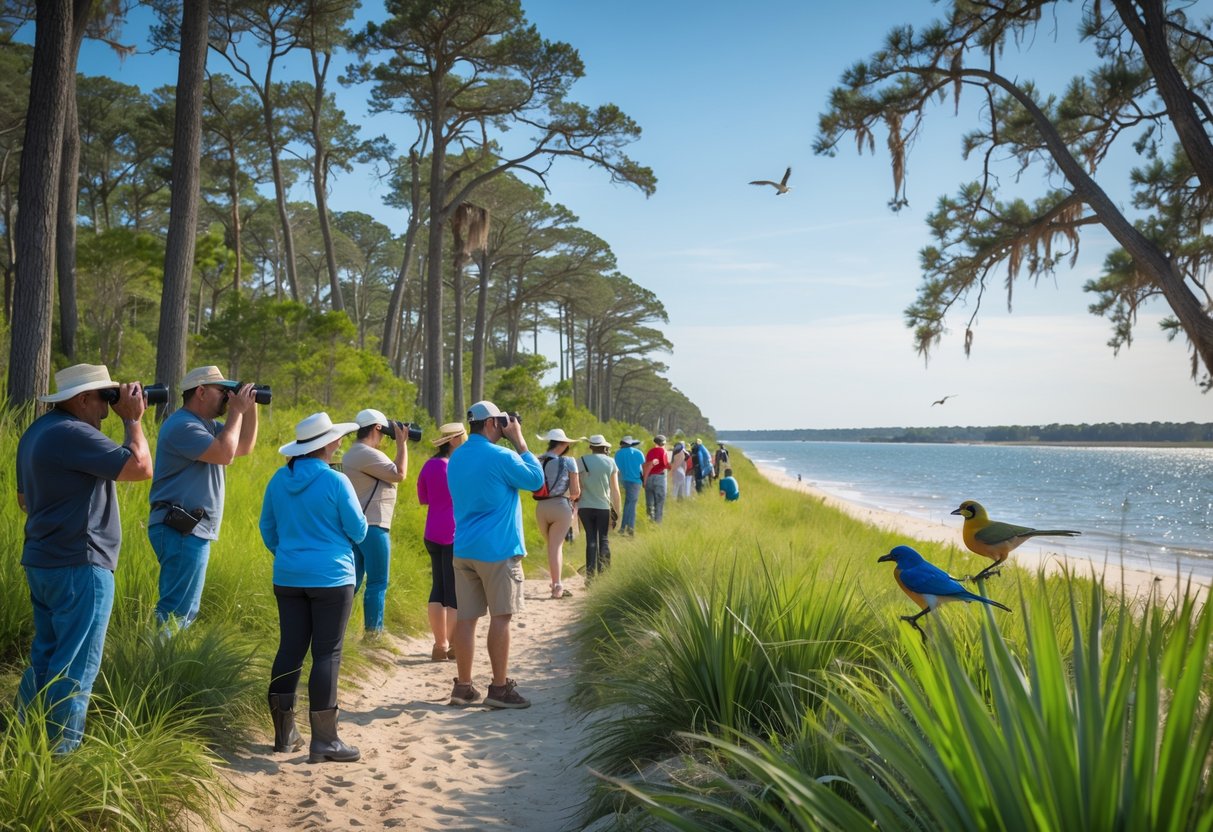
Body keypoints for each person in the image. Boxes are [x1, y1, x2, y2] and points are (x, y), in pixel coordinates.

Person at [15, 364, 154, 752]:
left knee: (44, 660)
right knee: (75, 671)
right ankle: (60, 762)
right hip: (81, 565)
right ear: (81, 400)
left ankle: (22, 744)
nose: (109, 407)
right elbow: (140, 467)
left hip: (43, 562)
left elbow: (24, 500)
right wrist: (134, 422)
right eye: (104, 398)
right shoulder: (72, 433)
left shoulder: (36, 433)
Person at [260, 412, 368, 763]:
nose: (339, 442)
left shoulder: (279, 479)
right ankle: (325, 741)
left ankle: (284, 734)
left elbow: (268, 530)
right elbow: (359, 531)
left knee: (289, 650)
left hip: (288, 576)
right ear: (324, 445)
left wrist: (291, 554)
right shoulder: (336, 482)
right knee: (327, 653)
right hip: (332, 577)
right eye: (335, 439)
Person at [446, 401, 544, 710]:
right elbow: (535, 481)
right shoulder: (501, 455)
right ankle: (499, 689)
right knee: (501, 618)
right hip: (498, 550)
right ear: (491, 424)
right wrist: (520, 441)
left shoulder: (457, 456)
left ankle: (463, 687)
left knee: (467, 619)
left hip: (463, 549)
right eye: (501, 421)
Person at [147, 366, 259, 631]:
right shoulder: (182, 425)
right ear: (200, 391)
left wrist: (250, 406)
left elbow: (242, 446)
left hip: (189, 529)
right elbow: (224, 453)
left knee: (184, 609)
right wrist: (236, 410)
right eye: (222, 391)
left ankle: (162, 664)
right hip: (180, 528)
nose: (226, 397)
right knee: (177, 610)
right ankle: (157, 667)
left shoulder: (206, 425)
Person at [342, 408, 408, 640]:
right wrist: (402, 443)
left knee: (353, 582)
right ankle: (373, 635)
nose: (384, 438)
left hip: (360, 526)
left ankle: (338, 630)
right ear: (377, 428)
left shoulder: (354, 452)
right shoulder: (365, 452)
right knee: (378, 581)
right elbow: (399, 473)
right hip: (374, 525)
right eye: (384, 433)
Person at [417, 422, 467, 662]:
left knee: (437, 586)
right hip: (453, 532)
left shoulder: (428, 465)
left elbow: (424, 498)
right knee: (454, 591)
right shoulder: (457, 467)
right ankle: (454, 644)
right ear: (455, 440)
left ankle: (439, 645)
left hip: (432, 532)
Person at [534, 428, 584, 599]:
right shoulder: (569, 461)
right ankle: (557, 586)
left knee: (552, 546)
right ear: (563, 444)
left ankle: (555, 581)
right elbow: (576, 491)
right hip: (561, 506)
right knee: (556, 547)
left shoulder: (537, 459)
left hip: (541, 507)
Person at [578, 435, 621, 582]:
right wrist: (617, 510)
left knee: (590, 539)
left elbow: (579, 487)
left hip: (584, 506)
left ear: (591, 447)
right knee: (603, 539)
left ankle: (590, 577)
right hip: (603, 506)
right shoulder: (610, 462)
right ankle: (604, 577)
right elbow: (615, 489)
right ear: (605, 447)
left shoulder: (581, 461)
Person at [613, 436, 645, 536]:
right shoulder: (638, 452)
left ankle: (624, 528)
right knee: (631, 505)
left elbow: (617, 468)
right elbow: (642, 468)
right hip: (635, 481)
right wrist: (644, 480)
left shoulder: (617, 454)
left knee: (627, 504)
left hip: (622, 481)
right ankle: (628, 528)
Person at [642, 435, 671, 523]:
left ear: (655, 443)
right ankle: (657, 523)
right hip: (659, 477)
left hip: (649, 478)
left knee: (649, 503)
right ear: (664, 443)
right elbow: (667, 465)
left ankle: (649, 521)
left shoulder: (650, 451)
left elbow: (646, 464)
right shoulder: (664, 451)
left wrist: (645, 480)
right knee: (659, 502)